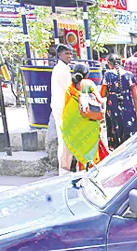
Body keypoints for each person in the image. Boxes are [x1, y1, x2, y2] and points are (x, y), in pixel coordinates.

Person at [61, 63, 105, 170]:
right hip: (89, 126)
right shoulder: (88, 84)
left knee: (79, 152)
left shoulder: (69, 88)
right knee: (91, 152)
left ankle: (78, 170)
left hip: (72, 127)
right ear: (87, 75)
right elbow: (100, 101)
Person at [100, 54, 137, 150]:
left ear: (109, 63)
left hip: (113, 107)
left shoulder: (108, 75)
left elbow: (102, 93)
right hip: (128, 106)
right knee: (128, 131)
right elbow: (135, 96)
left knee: (115, 129)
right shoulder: (129, 75)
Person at [49, 44, 74, 175]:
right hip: (62, 108)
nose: (70, 56)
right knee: (64, 140)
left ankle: (64, 170)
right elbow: (71, 90)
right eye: (67, 54)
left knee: (64, 140)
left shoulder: (64, 68)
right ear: (59, 55)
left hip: (61, 107)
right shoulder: (61, 70)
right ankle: (64, 171)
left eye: (70, 53)